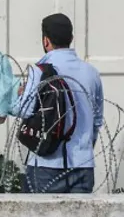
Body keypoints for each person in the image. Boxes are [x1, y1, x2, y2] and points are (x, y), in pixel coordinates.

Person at [15, 13, 104, 193]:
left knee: (39, 212)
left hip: (46, 164)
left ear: (45, 41)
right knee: (81, 213)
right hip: (82, 166)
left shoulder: (40, 71)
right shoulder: (91, 72)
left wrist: (20, 95)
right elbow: (96, 121)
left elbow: (23, 111)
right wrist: (83, 151)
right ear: (71, 38)